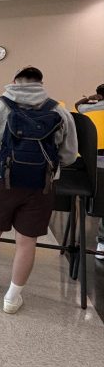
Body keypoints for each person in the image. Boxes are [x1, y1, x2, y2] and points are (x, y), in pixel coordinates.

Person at [0, 67, 77, 314]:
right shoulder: (58, 110)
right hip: (42, 183)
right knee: (27, 241)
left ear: (14, 82)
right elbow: (69, 155)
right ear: (41, 83)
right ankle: (12, 297)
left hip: (0, 179)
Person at [75, 84, 104, 260]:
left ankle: (99, 242)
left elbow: (78, 105)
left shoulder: (88, 109)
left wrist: (92, 97)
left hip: (88, 165)